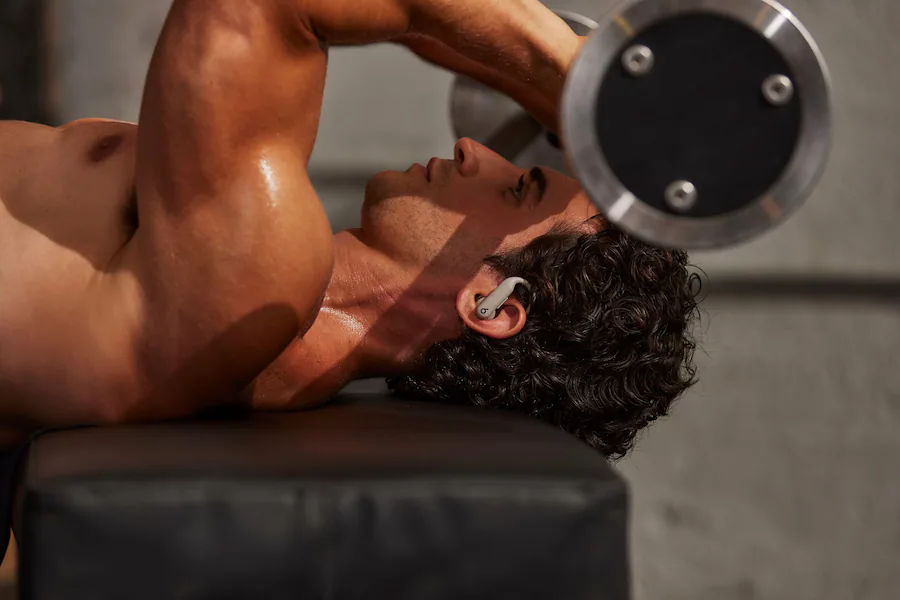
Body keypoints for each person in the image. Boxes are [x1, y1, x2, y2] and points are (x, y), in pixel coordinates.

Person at [0, 0, 700, 460]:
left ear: (492, 305)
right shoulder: (269, 309)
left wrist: (568, 71)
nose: (472, 150)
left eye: (519, 188)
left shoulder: (260, 289)